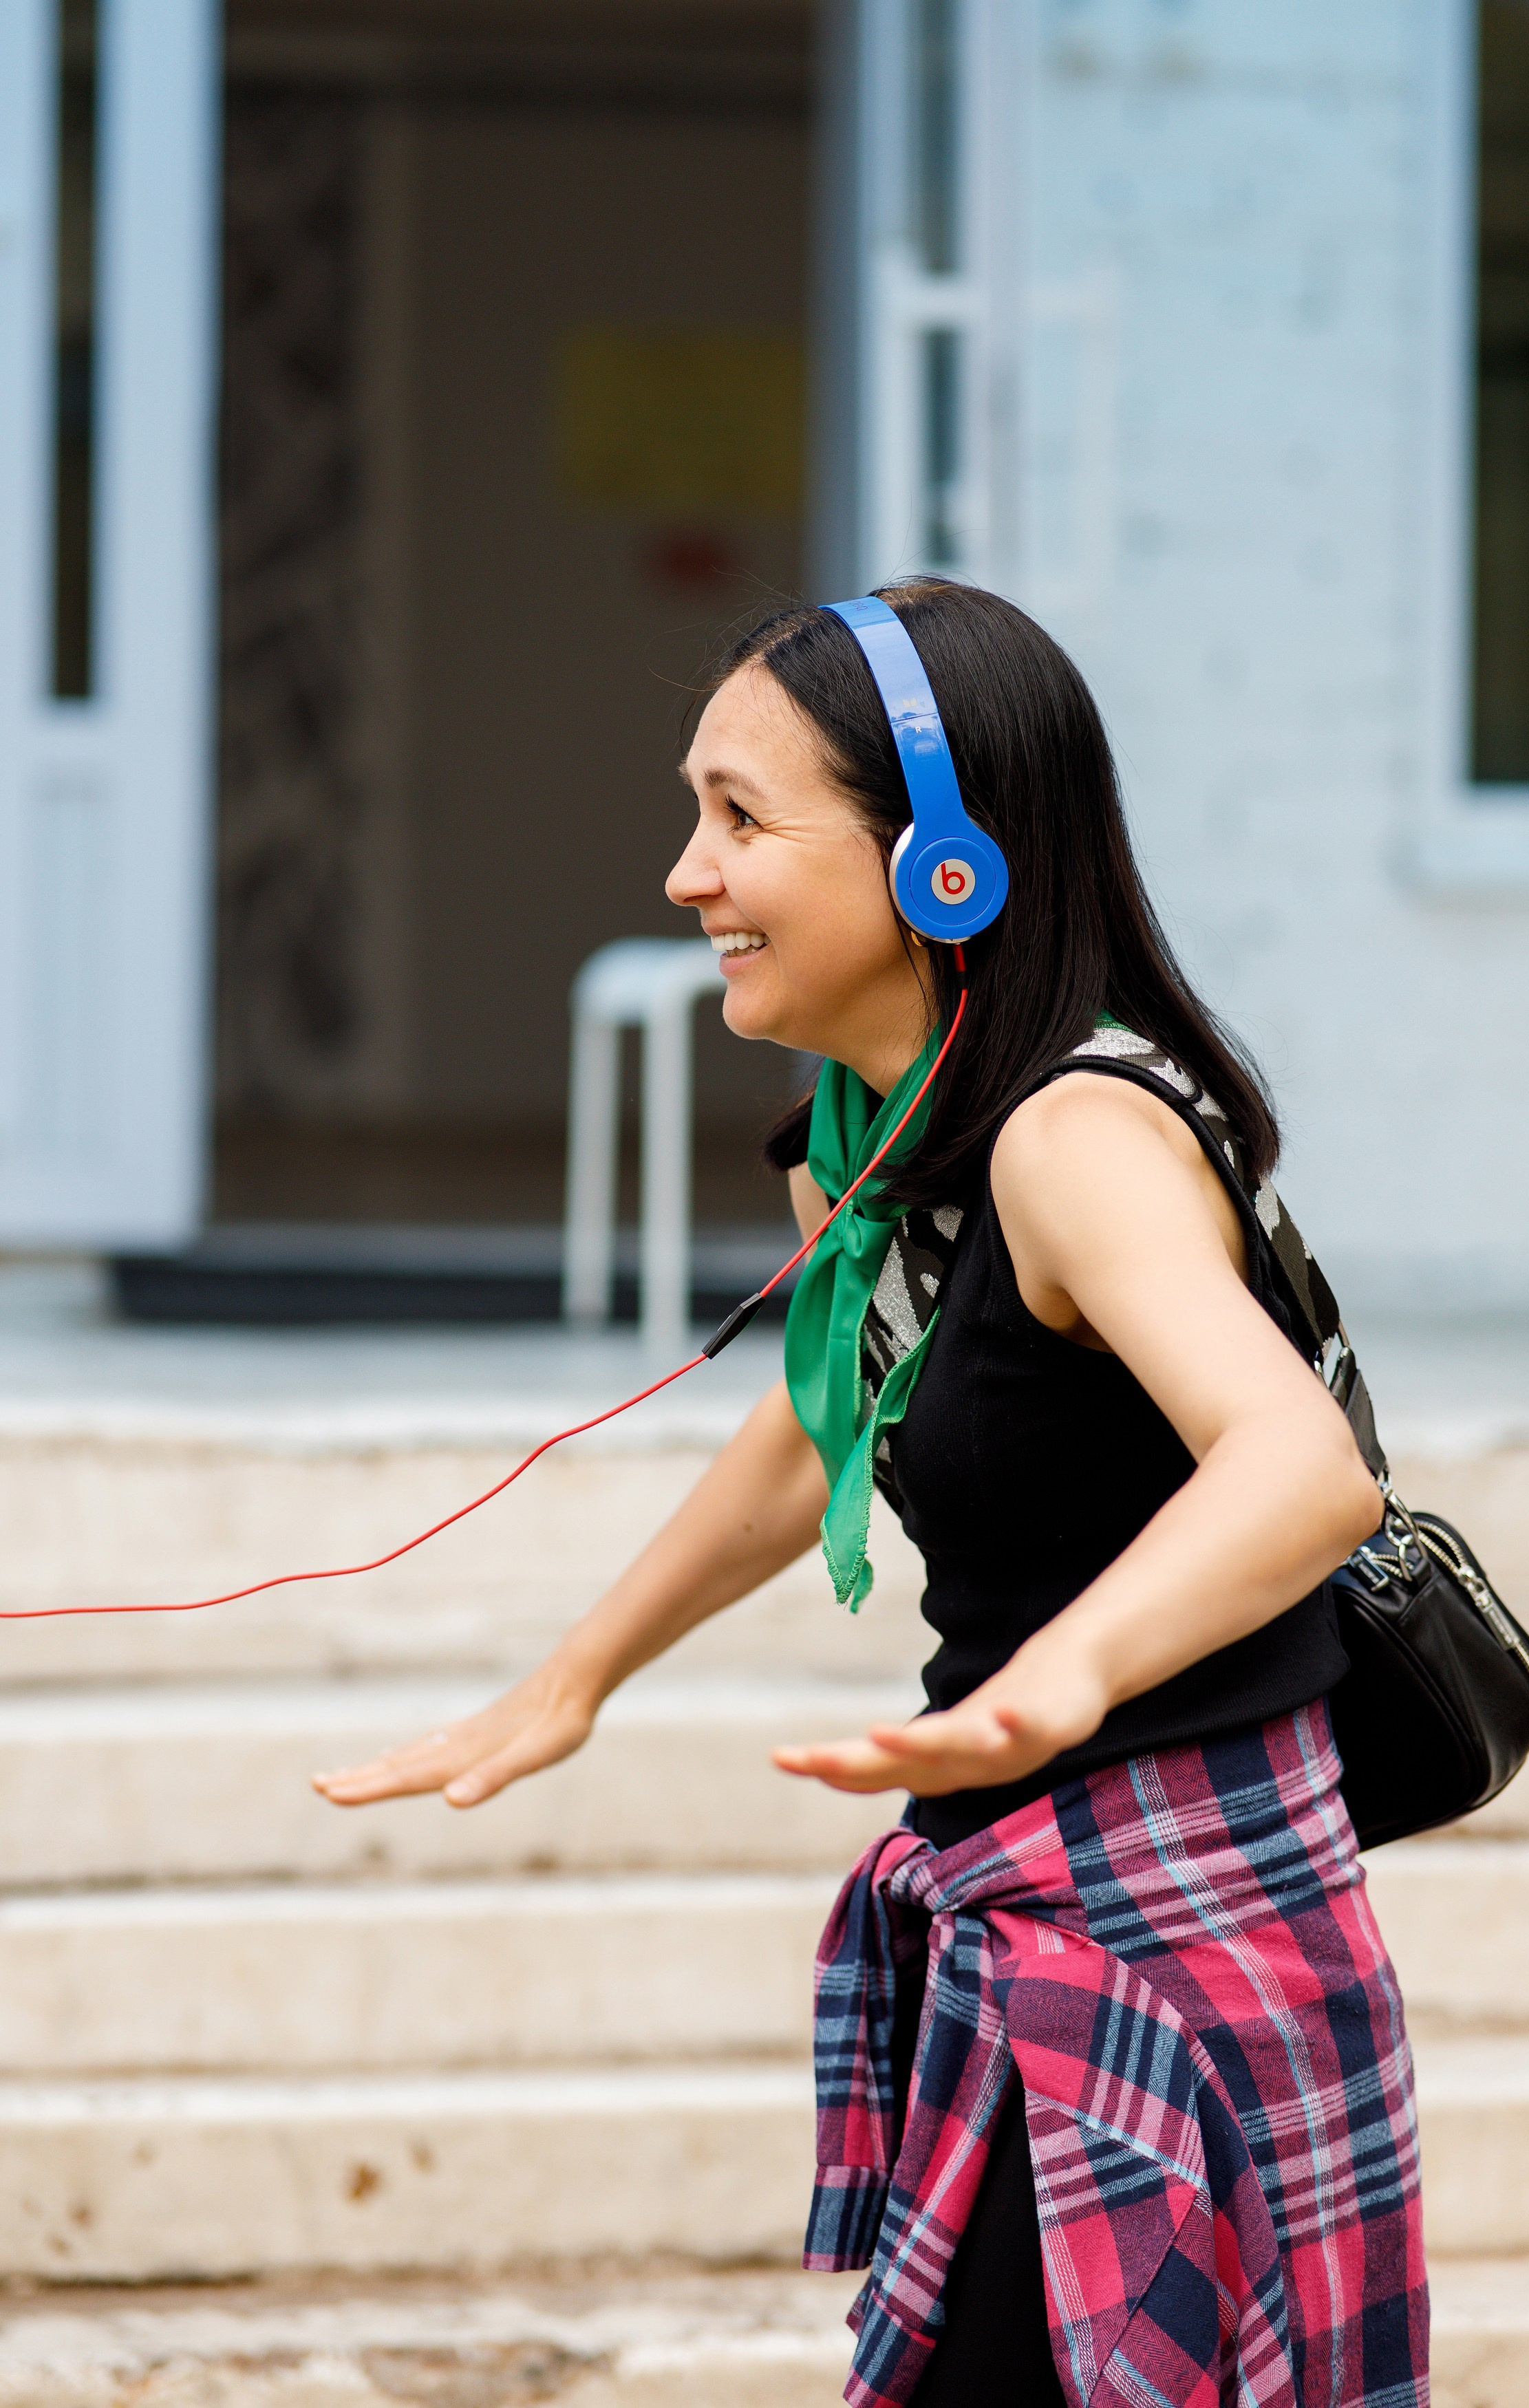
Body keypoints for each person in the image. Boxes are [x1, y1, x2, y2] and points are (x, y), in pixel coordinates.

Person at [314, 581, 1429, 2408]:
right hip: (1029, 1912)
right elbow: (825, 1421)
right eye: (697, 811)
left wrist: (1055, 1683)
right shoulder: (876, 1141)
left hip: (1181, 1939)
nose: (688, 874)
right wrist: (575, 1675)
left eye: (744, 820)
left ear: (949, 868)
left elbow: (1302, 1465)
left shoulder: (1077, 1140)